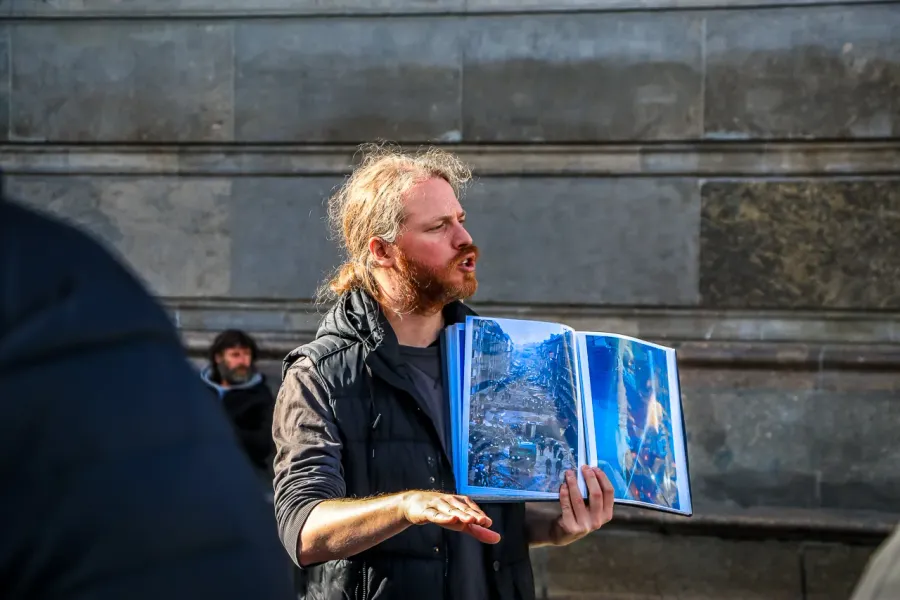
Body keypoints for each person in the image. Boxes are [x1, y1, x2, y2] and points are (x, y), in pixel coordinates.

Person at [272, 145, 615, 600]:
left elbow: (484, 513)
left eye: (460, 219)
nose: (464, 239)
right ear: (382, 251)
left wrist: (557, 525)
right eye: (438, 227)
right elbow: (303, 530)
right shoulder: (319, 374)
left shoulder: (497, 361)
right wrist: (407, 506)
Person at [0, 190, 293, 600]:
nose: (240, 359)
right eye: (232, 352)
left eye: (244, 352)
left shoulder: (261, 395)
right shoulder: (75, 272)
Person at [202, 329, 277, 482]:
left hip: (245, 474)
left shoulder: (260, 396)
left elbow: (262, 444)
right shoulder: (198, 390)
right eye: (235, 355)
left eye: (246, 354)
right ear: (218, 358)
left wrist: (216, 429)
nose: (243, 362)